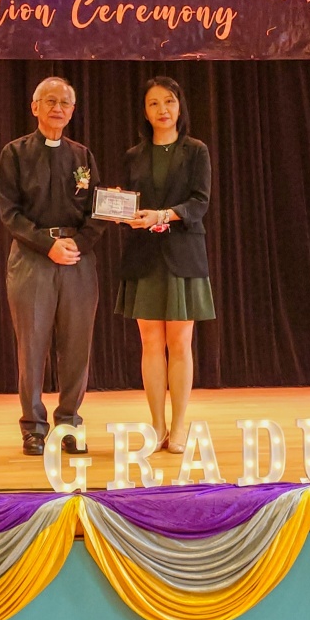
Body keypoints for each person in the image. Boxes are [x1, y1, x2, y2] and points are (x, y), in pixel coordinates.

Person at [0, 76, 105, 456]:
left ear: (73, 111)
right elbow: (10, 214)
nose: (58, 108)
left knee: (77, 347)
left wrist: (79, 243)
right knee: (32, 346)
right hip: (32, 258)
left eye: (65, 103)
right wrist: (48, 246)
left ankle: (69, 424)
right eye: (50, 101)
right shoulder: (14, 153)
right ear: (35, 107)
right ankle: (33, 428)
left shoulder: (82, 156)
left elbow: (98, 209)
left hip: (77, 258)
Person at [116, 76, 215, 453]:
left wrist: (163, 215)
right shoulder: (134, 155)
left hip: (183, 255)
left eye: (169, 101)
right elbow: (128, 203)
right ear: (145, 111)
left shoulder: (196, 151)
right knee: (150, 343)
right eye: (154, 103)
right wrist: (122, 212)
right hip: (144, 256)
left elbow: (199, 203)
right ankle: (156, 426)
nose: (162, 110)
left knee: (180, 342)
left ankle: (179, 426)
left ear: (180, 106)